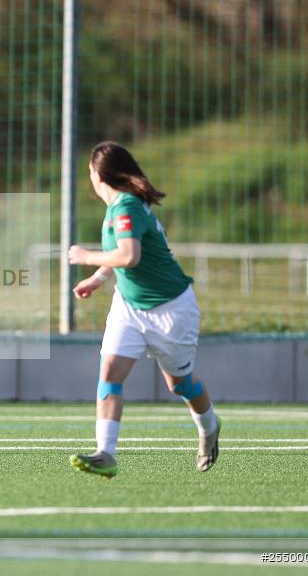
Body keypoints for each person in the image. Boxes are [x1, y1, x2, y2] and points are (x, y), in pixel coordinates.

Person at [67, 141, 220, 479]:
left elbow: (129, 256)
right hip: (128, 307)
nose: (89, 177)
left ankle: (209, 428)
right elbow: (122, 255)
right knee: (110, 372)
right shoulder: (118, 208)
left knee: (180, 385)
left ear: (99, 175)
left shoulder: (126, 208)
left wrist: (86, 257)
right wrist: (97, 278)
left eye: (90, 171)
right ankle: (106, 454)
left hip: (171, 310)